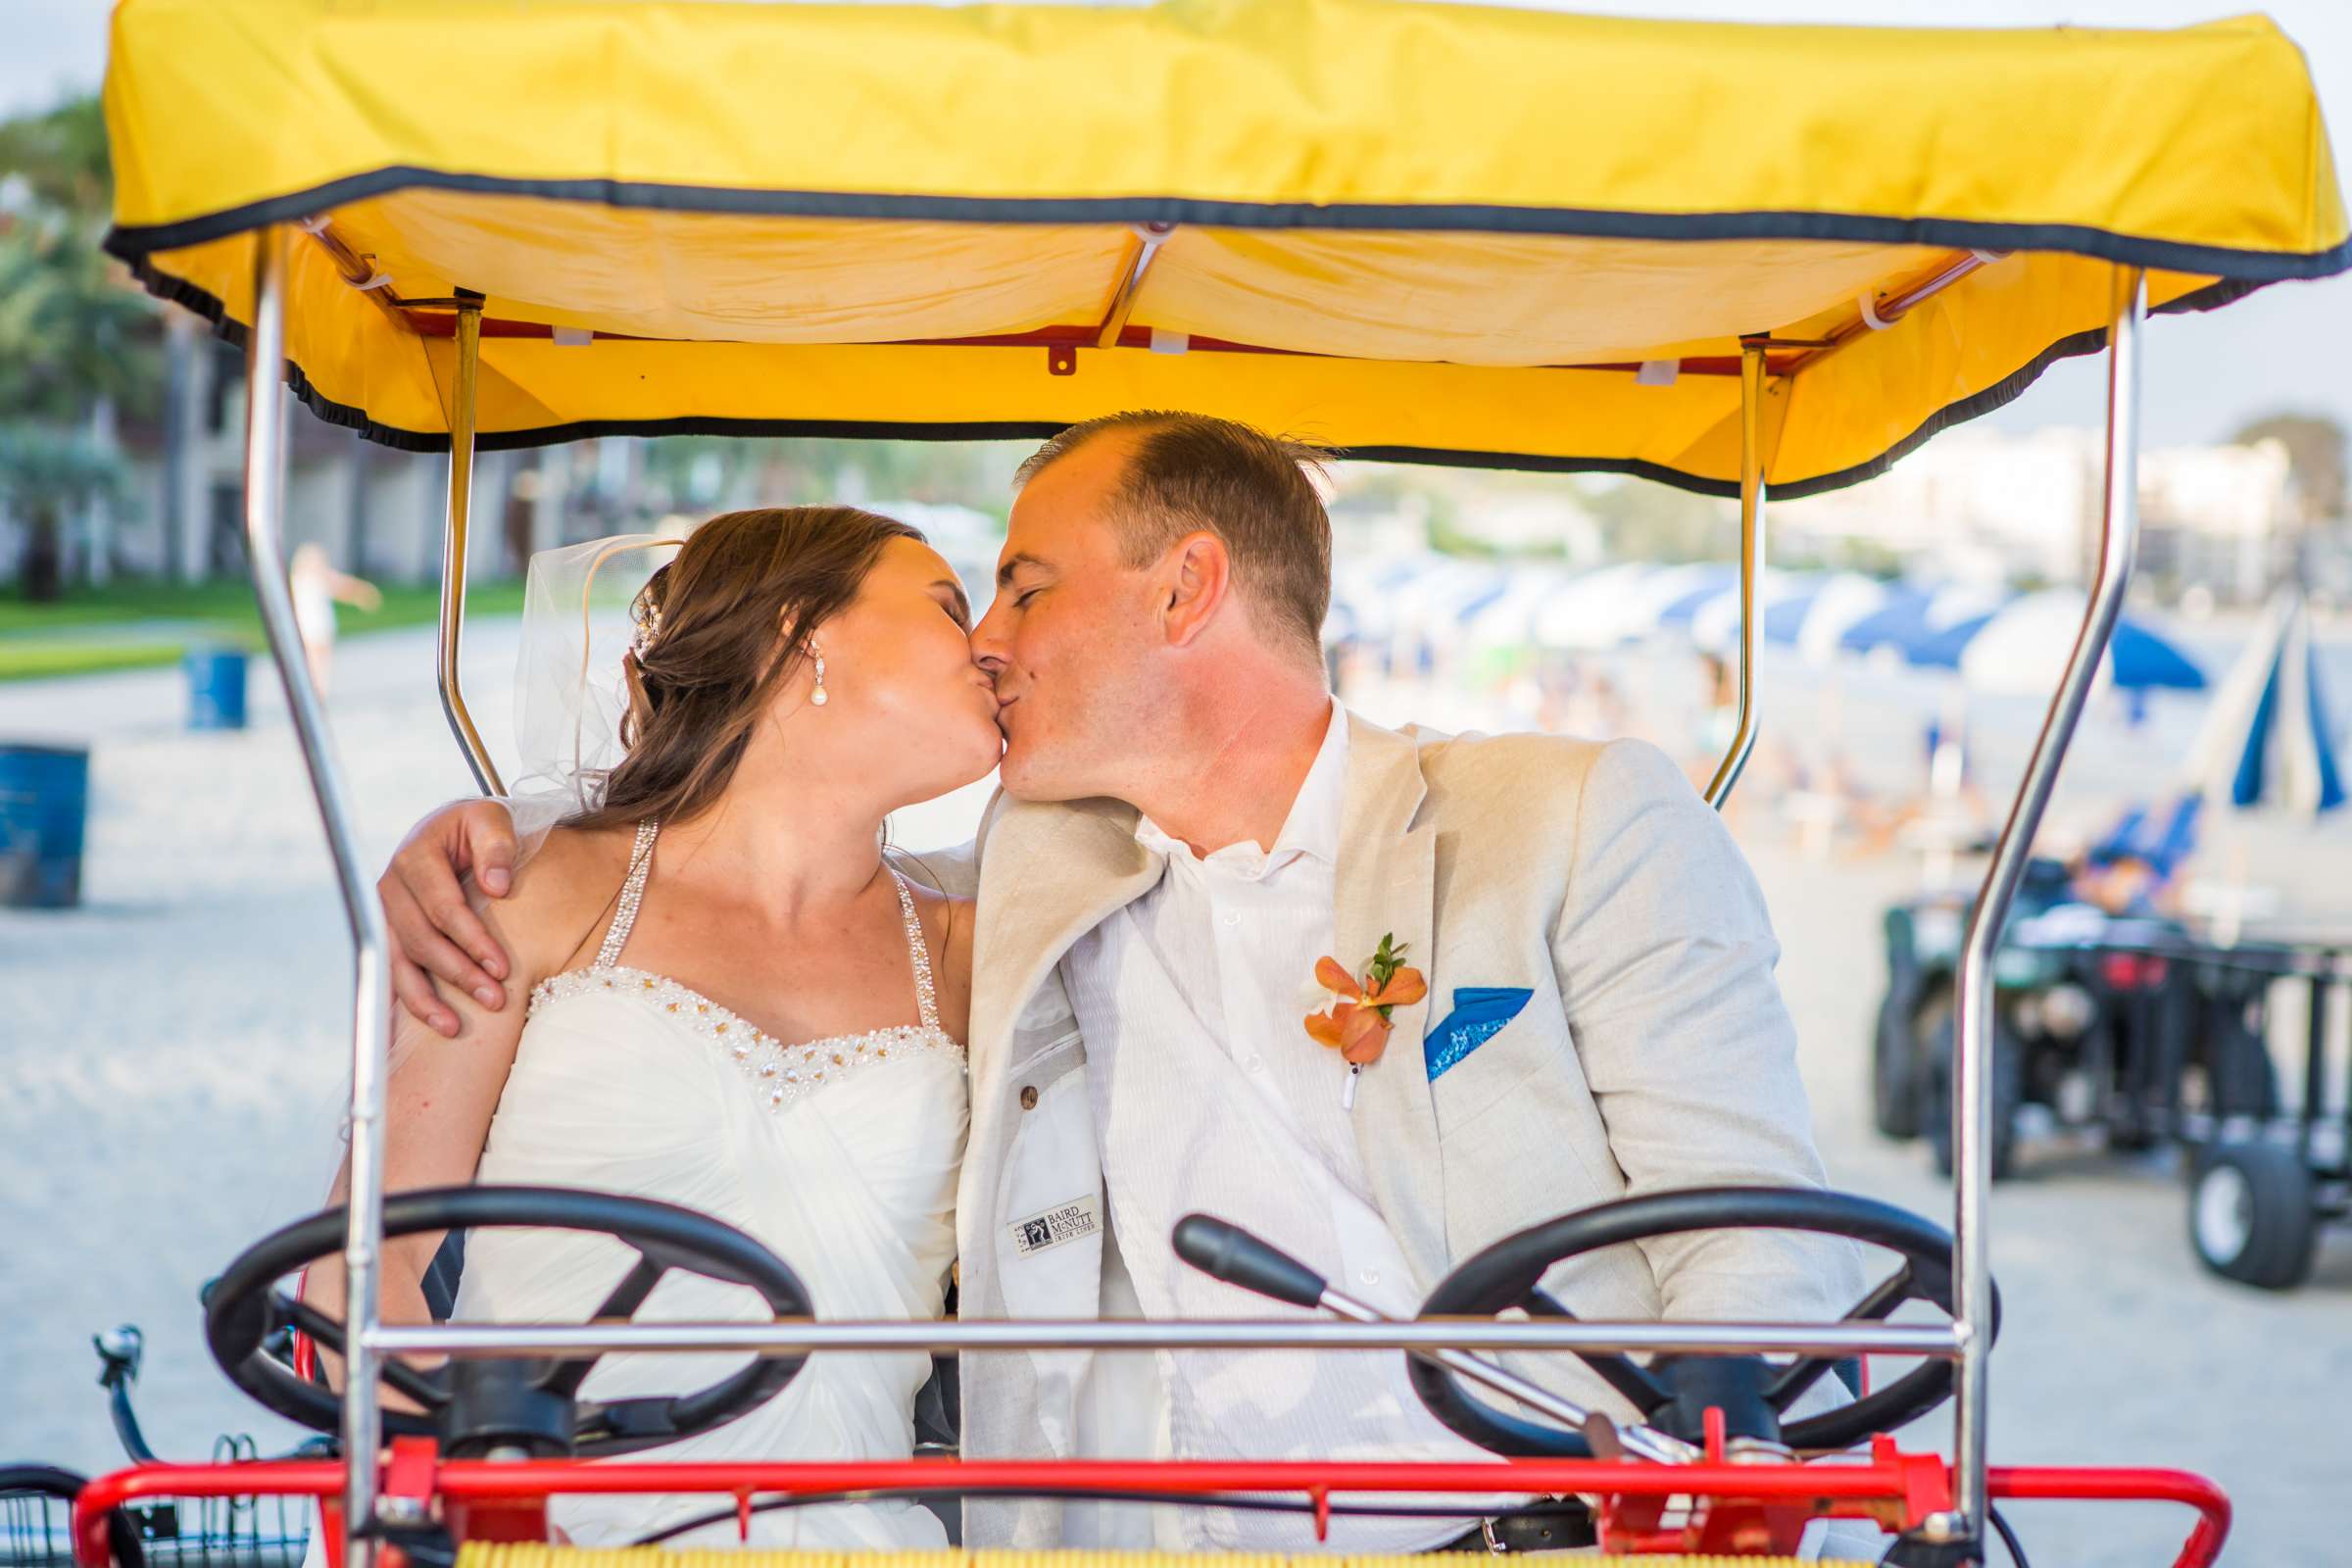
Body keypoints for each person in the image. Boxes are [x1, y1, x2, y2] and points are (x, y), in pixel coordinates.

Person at [380, 414, 1864, 1553]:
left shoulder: (1565, 818)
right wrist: (495, 837)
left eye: (1021, 587)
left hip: (1527, 1533)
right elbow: (749, 866)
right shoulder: (1036, 878)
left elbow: (1747, 1223)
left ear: (1184, 592)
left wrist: (1710, 1460)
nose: (991, 643)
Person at [314, 507, 1003, 1549]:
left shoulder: (965, 949)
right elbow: (367, 1263)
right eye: (950, 607)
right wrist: (462, 1525)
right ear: (797, 633)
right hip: (536, 1535)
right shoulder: (537, 888)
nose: (990, 642)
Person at [287, 541, 381, 697]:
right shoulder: (319, 577)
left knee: (311, 663)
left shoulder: (296, 580)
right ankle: (317, 693)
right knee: (319, 665)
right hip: (318, 627)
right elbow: (344, 586)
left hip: (306, 627)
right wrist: (363, 595)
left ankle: (312, 692)